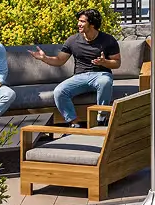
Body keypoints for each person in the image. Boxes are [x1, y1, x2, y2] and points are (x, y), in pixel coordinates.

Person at [31, 9, 122, 137]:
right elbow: (60, 60)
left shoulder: (108, 40)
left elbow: (117, 63)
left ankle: (101, 118)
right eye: (79, 21)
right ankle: (73, 122)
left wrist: (104, 62)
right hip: (80, 76)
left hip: (100, 74)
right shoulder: (72, 40)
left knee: (105, 82)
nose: (78, 24)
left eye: (82, 21)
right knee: (59, 91)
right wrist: (44, 58)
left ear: (92, 24)